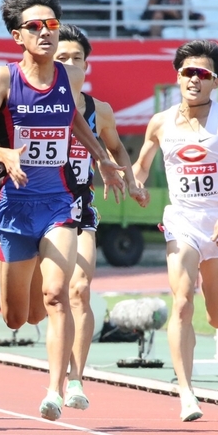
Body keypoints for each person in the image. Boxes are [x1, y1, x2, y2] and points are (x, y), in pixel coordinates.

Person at [0, 0, 135, 422]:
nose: (46, 33)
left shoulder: (62, 78)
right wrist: (4, 154)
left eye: (52, 26)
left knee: (60, 294)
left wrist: (102, 158)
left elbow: (74, 120)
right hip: (13, 204)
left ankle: (55, 389)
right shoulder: (4, 78)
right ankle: (28, 302)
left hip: (58, 202)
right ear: (17, 36)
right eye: (35, 27)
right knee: (16, 316)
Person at [132, 39, 218, 421]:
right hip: (182, 221)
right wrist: (136, 184)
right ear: (178, 76)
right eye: (188, 72)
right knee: (183, 299)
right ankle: (187, 392)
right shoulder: (160, 122)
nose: (194, 79)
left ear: (215, 81)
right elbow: (141, 166)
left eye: (202, 74)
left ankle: (213, 313)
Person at [53, 23, 145, 410]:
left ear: (87, 66)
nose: (70, 65)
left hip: (78, 205)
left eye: (77, 59)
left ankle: (73, 381)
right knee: (32, 304)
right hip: (37, 207)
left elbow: (118, 150)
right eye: (62, 58)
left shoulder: (99, 110)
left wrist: (131, 178)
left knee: (79, 288)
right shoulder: (32, 102)